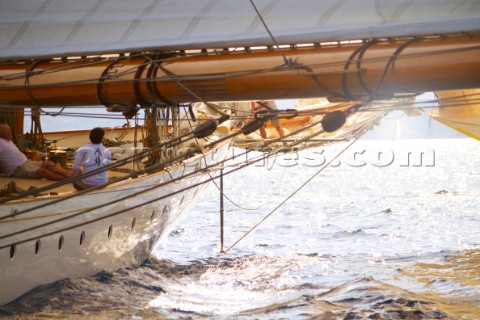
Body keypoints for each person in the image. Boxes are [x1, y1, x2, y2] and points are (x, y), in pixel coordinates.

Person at [0, 124, 72, 180]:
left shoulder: (8, 140)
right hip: (17, 169)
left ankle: (69, 174)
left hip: (27, 162)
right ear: (1, 133)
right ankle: (67, 180)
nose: (11, 133)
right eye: (8, 131)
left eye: (10, 131)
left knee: (48, 163)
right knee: (43, 172)